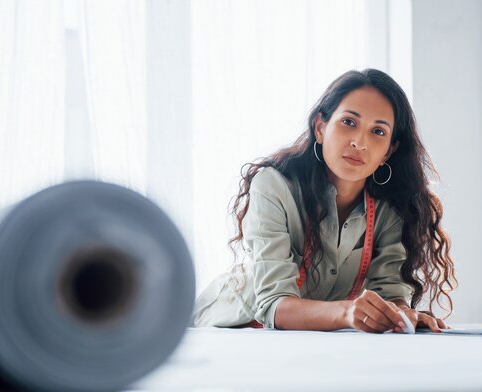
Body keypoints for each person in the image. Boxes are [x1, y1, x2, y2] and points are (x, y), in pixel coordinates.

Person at [193, 68, 456, 333]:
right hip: (225, 330)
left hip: (303, 340)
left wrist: (402, 315)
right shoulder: (273, 186)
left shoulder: (391, 208)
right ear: (320, 127)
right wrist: (347, 311)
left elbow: (388, 293)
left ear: (388, 151)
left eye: (378, 131)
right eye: (349, 122)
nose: (359, 142)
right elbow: (274, 304)